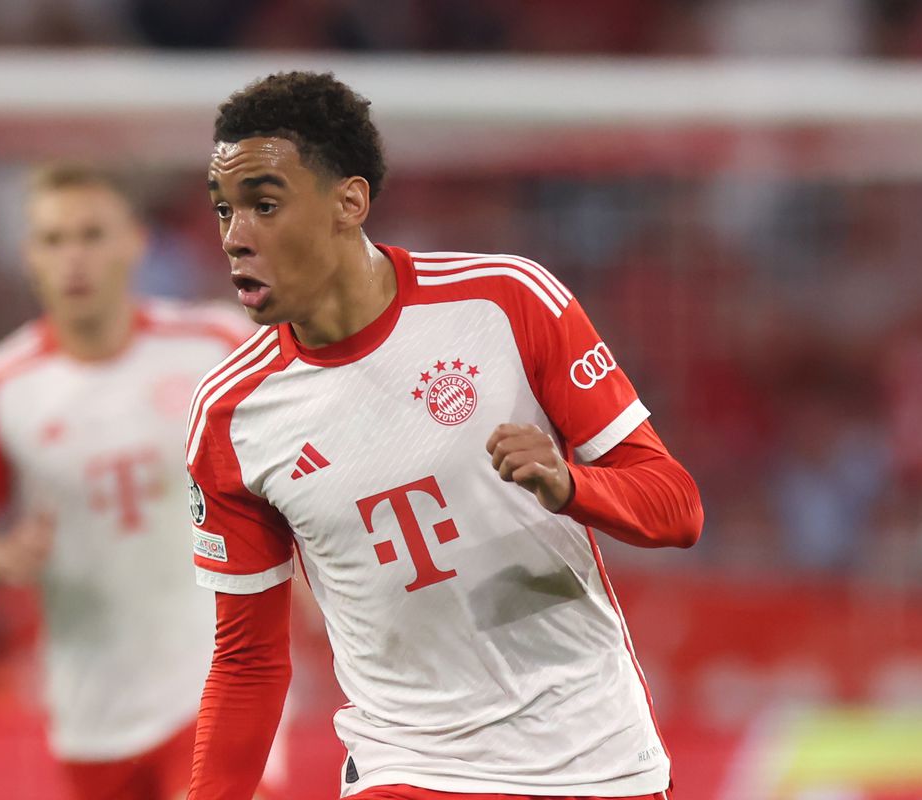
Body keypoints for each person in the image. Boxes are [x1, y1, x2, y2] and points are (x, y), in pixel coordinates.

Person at [186, 72, 704, 800]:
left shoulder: (506, 302)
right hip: (409, 764)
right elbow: (247, 660)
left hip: (594, 754)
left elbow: (677, 508)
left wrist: (572, 485)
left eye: (263, 205)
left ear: (349, 202)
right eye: (224, 210)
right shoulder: (231, 414)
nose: (235, 238)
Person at [0, 163, 253, 800]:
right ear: (30, 256)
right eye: (54, 239)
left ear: (135, 242)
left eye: (92, 235)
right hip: (92, 710)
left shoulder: (217, 344)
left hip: (220, 677)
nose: (74, 257)